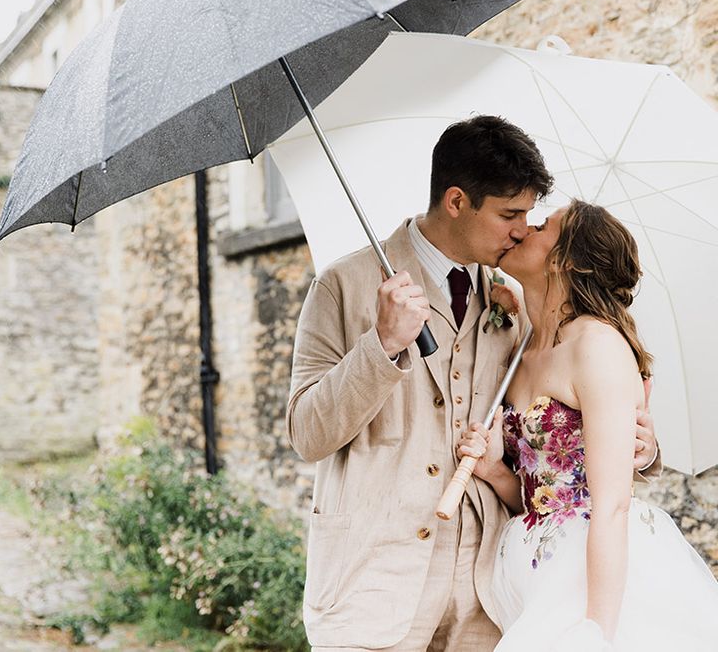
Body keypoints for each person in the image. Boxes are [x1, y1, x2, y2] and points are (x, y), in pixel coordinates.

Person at [286, 116, 660, 652]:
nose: (521, 230)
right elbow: (306, 434)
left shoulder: (520, 306)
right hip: (371, 589)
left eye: (530, 216)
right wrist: (382, 345)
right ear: (457, 202)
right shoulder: (343, 287)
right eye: (510, 214)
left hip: (488, 600)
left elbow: (569, 431)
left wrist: (642, 445)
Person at [457, 200, 718, 651]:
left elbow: (611, 504)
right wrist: (495, 471)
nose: (523, 230)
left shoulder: (597, 346)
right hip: (533, 570)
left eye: (540, 227)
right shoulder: (522, 351)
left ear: (567, 260)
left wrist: (594, 631)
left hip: (598, 574)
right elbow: (542, 494)